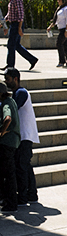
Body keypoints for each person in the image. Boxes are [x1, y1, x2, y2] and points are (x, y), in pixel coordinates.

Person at [5, 68, 39, 204]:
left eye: (8, 79)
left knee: (21, 166)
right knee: (25, 165)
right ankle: (32, 194)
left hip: (25, 136)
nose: (6, 82)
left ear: (15, 79)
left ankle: (24, 196)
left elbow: (13, 110)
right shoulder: (16, 93)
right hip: (23, 135)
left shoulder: (21, 93)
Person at [2, 0, 38, 71]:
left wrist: (19, 28)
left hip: (16, 25)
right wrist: (3, 23)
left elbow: (21, 15)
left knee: (11, 45)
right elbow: (9, 14)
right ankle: (32, 59)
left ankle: (10, 66)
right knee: (16, 45)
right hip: (13, 24)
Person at [0, 82, 20, 212]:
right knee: (10, 173)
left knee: (7, 174)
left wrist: (1, 132)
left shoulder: (6, 104)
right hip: (14, 142)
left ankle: (11, 203)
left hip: (7, 143)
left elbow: (7, 119)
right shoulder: (12, 100)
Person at [47, 0, 67, 68]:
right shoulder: (60, 9)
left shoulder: (66, 9)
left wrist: (66, 30)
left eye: (59, 0)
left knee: (59, 43)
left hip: (66, 28)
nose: (58, 1)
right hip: (61, 28)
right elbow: (56, 20)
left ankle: (62, 61)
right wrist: (50, 26)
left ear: (63, 0)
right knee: (65, 45)